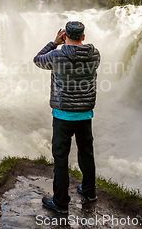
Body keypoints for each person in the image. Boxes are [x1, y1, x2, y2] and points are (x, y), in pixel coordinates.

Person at [33, 21, 101, 214]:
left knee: (61, 158)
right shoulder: (95, 54)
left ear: (65, 36)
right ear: (83, 37)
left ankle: (61, 203)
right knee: (86, 153)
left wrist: (54, 43)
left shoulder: (56, 55)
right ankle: (89, 191)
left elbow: (37, 59)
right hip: (85, 114)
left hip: (63, 115)